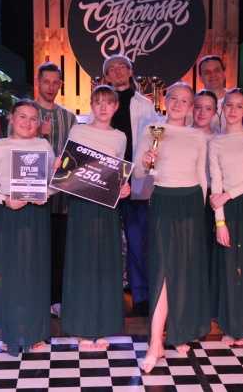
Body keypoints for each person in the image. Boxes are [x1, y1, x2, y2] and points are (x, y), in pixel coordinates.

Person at [133, 82, 210, 373]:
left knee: (184, 269)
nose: (178, 104)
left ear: (191, 107)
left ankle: (178, 331)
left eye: (184, 101)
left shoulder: (197, 136)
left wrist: (202, 212)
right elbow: (138, 175)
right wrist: (144, 162)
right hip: (163, 200)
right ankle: (155, 342)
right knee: (163, 269)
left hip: (191, 203)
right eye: (173, 98)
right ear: (166, 100)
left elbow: (201, 176)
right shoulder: (152, 130)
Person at [0, 99, 55, 355]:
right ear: (11, 118)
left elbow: (56, 182)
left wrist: (47, 193)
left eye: (33, 119)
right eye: (22, 116)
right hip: (10, 213)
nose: (27, 123)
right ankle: (11, 333)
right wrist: (5, 200)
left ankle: (35, 333)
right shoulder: (0, 146)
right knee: (10, 274)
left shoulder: (44, 145)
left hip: (37, 214)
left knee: (35, 273)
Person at [60, 85, 131, 349]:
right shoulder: (78, 131)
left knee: (105, 263)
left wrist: (124, 188)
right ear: (91, 104)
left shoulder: (120, 137)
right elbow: (68, 165)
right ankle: (81, 328)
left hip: (107, 208)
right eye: (98, 102)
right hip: (81, 204)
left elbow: (118, 172)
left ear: (116, 107)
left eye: (108, 103)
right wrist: (59, 165)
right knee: (81, 263)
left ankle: (102, 327)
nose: (103, 107)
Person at [96, 54, 157, 317]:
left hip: (136, 181)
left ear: (131, 72)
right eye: (112, 69)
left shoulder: (145, 105)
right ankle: (107, 296)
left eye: (123, 67)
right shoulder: (100, 104)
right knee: (106, 241)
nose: (118, 71)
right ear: (106, 77)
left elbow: (155, 141)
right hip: (106, 181)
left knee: (137, 240)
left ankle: (141, 296)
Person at [208, 88, 243, 346]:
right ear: (223, 107)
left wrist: (227, 195)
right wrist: (220, 221)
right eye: (229, 105)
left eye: (239, 106)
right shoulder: (215, 142)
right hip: (225, 208)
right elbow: (216, 182)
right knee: (229, 266)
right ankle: (231, 327)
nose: (233, 110)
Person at [34, 62, 77, 318]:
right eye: (46, 81)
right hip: (31, 198)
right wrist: (37, 131)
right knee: (36, 251)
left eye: (55, 82)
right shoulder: (26, 112)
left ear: (60, 85)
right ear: (38, 82)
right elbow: (11, 146)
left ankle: (57, 300)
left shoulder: (69, 117)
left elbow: (76, 154)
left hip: (62, 200)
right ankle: (36, 299)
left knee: (59, 251)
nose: (50, 87)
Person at [191, 90, 219, 316]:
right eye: (198, 107)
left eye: (208, 108)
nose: (202, 113)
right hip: (188, 195)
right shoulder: (182, 134)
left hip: (213, 198)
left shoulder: (220, 139)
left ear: (215, 112)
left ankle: (207, 305)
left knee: (209, 251)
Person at [197, 55, 243, 132]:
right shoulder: (192, 107)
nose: (213, 75)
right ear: (200, 78)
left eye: (217, 70)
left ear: (224, 74)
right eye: (207, 72)